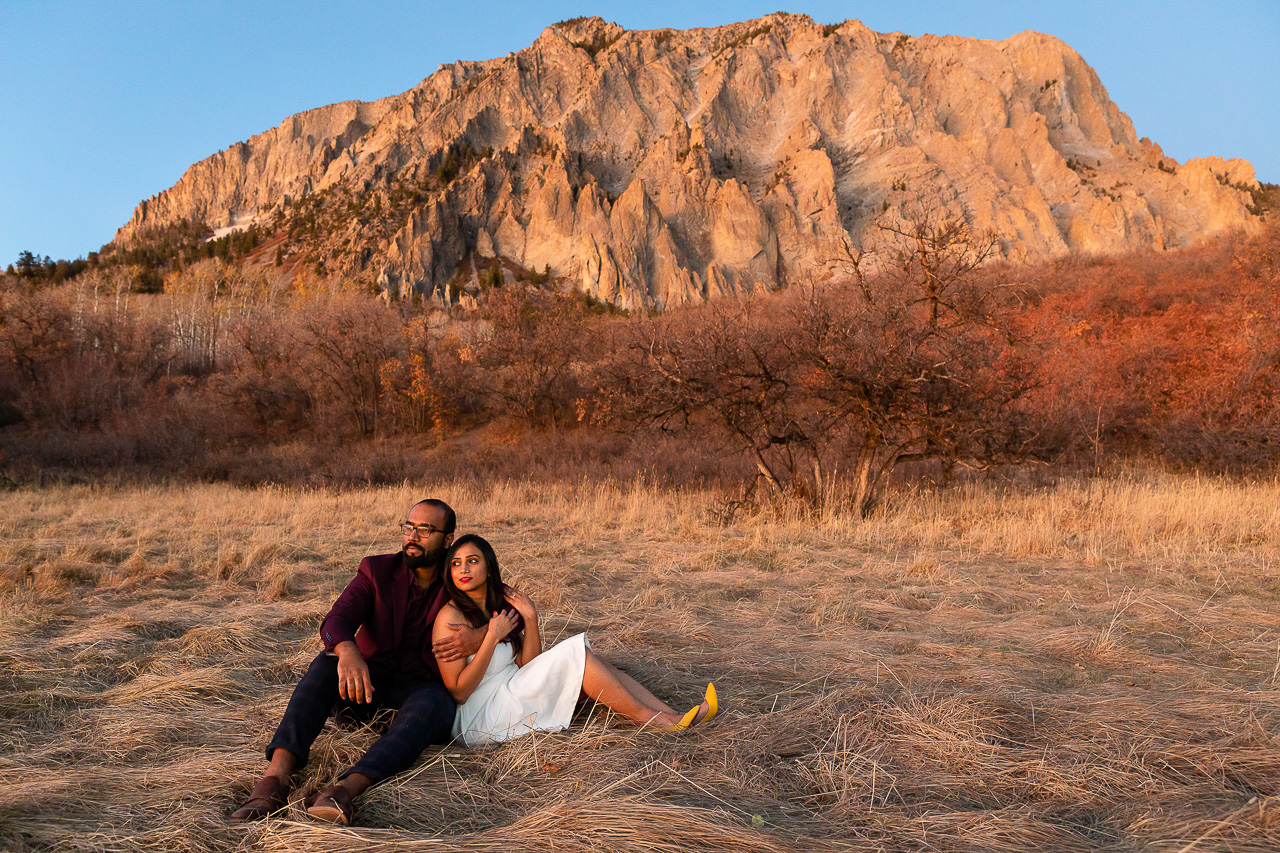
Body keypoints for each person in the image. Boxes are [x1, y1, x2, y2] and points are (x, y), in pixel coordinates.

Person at [229, 498, 485, 826]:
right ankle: (273, 781)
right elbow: (337, 620)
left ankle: (343, 791)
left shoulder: (460, 576)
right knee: (325, 663)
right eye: (408, 527)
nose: (412, 536)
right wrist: (349, 653)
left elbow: (511, 614)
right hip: (363, 690)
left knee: (436, 701)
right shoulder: (377, 571)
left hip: (419, 701)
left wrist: (477, 638)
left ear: (447, 539)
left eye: (425, 530)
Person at [433, 534, 717, 747]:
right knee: (577, 656)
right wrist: (491, 637)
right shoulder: (450, 618)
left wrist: (530, 619)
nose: (464, 570)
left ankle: (673, 714)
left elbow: (528, 664)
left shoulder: (495, 608)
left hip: (512, 691)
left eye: (472, 561)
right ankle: (656, 722)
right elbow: (458, 692)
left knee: (592, 660)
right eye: (456, 564)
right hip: (480, 716)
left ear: (490, 568)